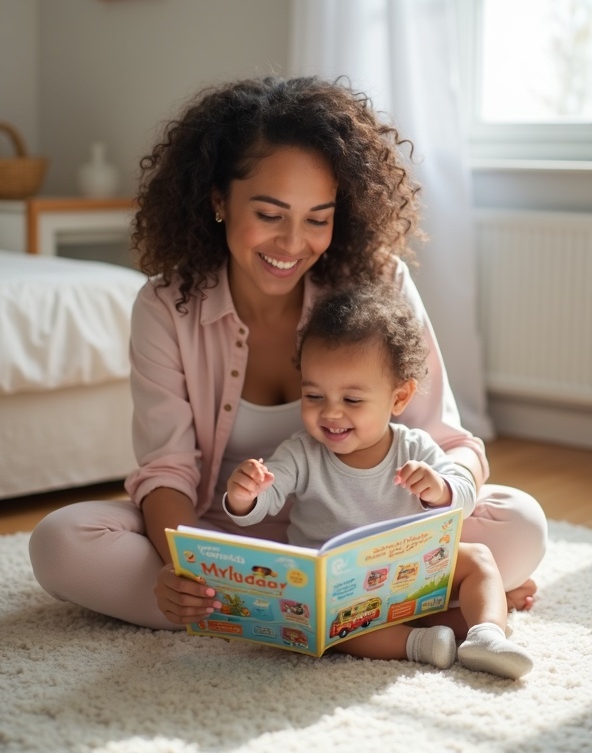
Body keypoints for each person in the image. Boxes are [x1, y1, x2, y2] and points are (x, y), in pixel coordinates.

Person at [28, 74, 547, 634]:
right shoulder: (166, 305)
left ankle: (255, 614)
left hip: (367, 537)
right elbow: (167, 473)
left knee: (520, 522)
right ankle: (418, 601)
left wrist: (448, 490)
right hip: (224, 537)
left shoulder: (380, 284)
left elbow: (448, 442)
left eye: (317, 219)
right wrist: (185, 566)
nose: (293, 243)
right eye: (270, 215)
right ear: (219, 200)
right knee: (61, 542)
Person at [224, 285, 534, 678]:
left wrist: (439, 489)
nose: (331, 413)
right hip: (345, 593)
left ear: (399, 397)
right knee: (324, 626)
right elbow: (264, 498)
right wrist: (244, 496)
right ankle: (419, 644)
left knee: (479, 560)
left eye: (352, 400)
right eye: (314, 396)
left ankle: (487, 636)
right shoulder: (301, 452)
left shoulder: (413, 446)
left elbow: (463, 490)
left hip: (412, 574)